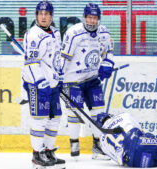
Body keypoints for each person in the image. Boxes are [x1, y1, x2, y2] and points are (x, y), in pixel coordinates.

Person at [60, 3, 113, 160]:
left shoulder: (104, 33)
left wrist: (107, 64)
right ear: (84, 17)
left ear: (99, 19)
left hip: (92, 78)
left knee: (98, 112)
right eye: (89, 17)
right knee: (75, 113)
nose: (91, 21)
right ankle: (74, 143)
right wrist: (59, 78)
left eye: (95, 18)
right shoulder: (73, 33)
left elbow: (108, 52)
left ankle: (97, 145)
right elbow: (64, 58)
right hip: (73, 80)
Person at [22, 1, 65, 168]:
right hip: (36, 84)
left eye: (47, 14)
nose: (43, 16)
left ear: (51, 16)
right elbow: (31, 63)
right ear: (36, 15)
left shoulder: (55, 32)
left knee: (55, 118)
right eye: (40, 13)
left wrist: (59, 77)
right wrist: (41, 81)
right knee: (40, 119)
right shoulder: (33, 35)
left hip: (53, 83)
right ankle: (36, 154)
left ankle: (48, 151)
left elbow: (56, 58)